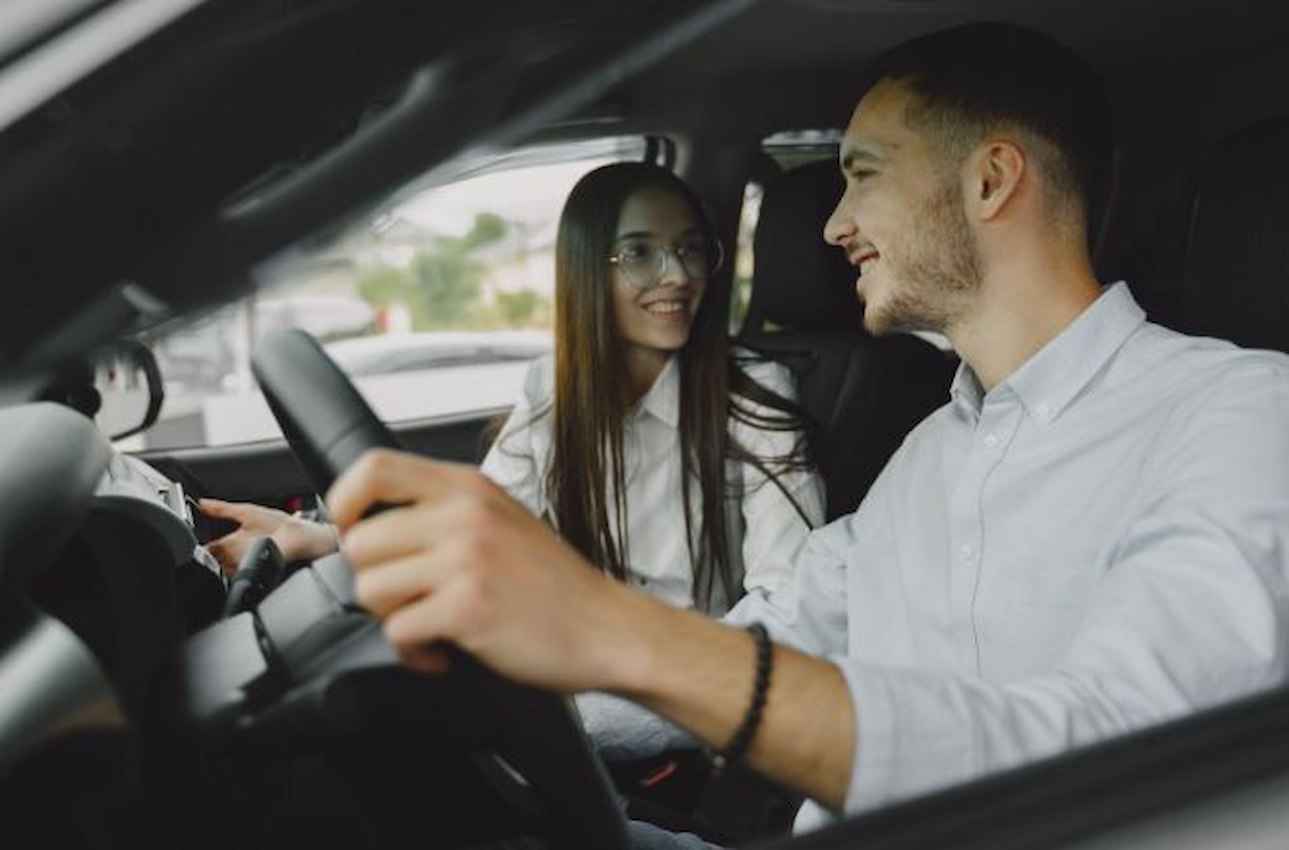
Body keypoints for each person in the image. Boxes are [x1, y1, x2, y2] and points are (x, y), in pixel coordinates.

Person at [324, 20, 1289, 844]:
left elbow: (1110, 755)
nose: (831, 227)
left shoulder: (1240, 413)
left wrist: (613, 631)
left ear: (991, 181)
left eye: (859, 175)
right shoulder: (931, 454)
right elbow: (773, 629)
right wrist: (491, 698)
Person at [202, 163, 823, 617]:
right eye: (640, 252)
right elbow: (485, 522)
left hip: (679, 706)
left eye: (692, 250)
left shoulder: (754, 396)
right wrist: (325, 539)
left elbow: (790, 606)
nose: (680, 275)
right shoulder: (556, 390)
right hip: (567, 660)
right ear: (586, 268)